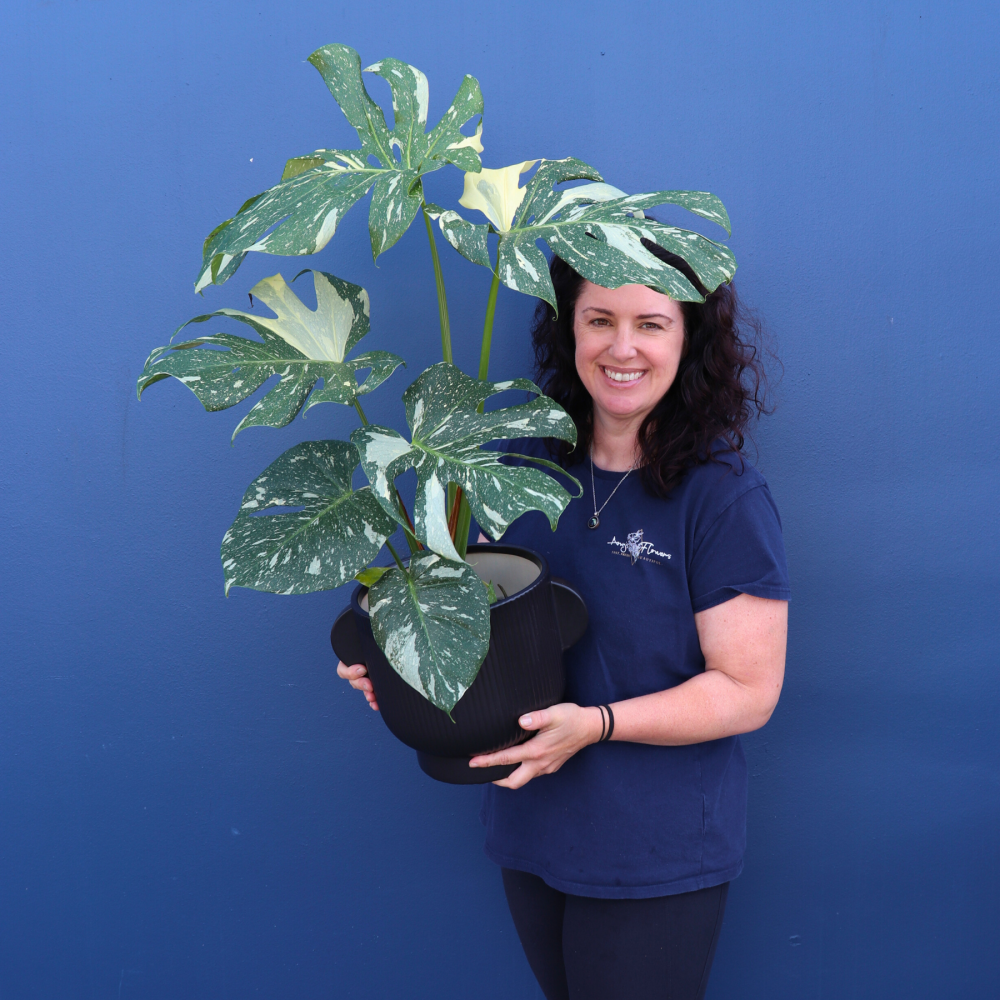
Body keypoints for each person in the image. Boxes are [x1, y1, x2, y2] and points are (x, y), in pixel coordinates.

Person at [337, 243, 789, 1000]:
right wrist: (393, 663)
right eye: (599, 319)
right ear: (568, 329)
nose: (622, 347)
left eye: (651, 324)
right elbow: (466, 625)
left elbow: (749, 690)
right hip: (532, 827)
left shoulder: (723, 498)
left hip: (654, 850)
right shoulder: (512, 467)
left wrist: (597, 725)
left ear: (689, 339)